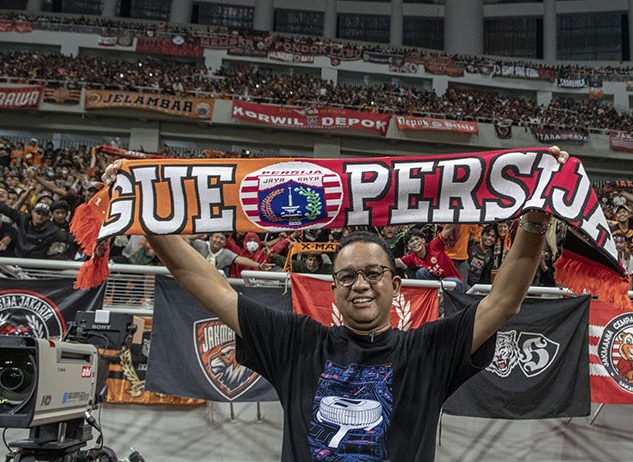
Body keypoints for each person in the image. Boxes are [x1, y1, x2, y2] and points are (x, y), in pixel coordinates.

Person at [131, 147, 568, 461]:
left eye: (373, 273)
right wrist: (147, 218)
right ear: (334, 289)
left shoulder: (427, 351)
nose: (360, 284)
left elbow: (504, 301)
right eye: (347, 276)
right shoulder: (298, 343)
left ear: (396, 284)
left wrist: (535, 220)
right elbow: (211, 287)